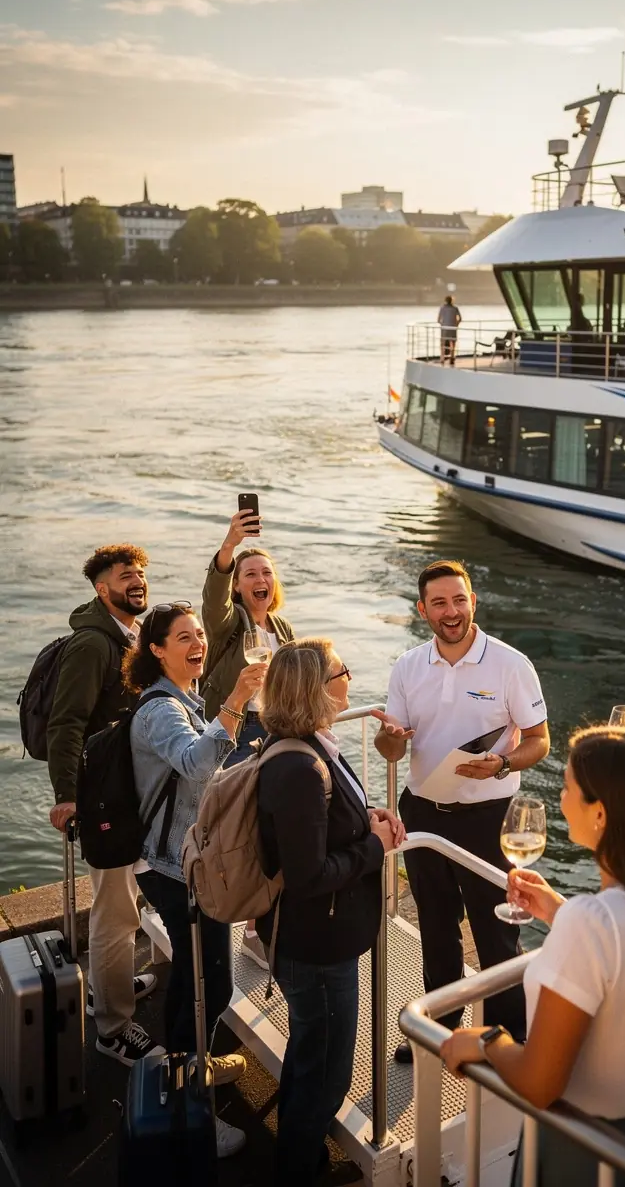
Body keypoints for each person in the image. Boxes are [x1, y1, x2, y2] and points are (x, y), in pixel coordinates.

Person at [440, 727, 625, 1186]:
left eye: (567, 787)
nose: (560, 796)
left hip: (591, 1150)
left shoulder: (593, 925)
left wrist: (490, 1041)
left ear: (601, 814)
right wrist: (559, 912)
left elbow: (540, 1083)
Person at [374, 559, 550, 1062]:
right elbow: (394, 752)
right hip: (423, 812)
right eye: (439, 603)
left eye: (459, 600)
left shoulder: (512, 665)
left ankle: (506, 1039)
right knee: (435, 923)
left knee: (497, 932)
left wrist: (501, 762)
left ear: (473, 601)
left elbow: (539, 741)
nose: (450, 612)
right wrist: (389, 739)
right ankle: (441, 1025)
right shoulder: (409, 666)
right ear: (422, 609)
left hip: (488, 818)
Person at [254, 638, 404, 1186]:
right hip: (315, 947)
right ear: (316, 688)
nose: (349, 678)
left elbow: (323, 824)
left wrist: (365, 815)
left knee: (310, 1058)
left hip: (318, 941)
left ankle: (302, 1160)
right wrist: (376, 848)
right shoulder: (298, 766)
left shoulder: (311, 747)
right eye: (342, 671)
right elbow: (309, 876)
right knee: (326, 1076)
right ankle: (295, 1172)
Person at [126, 602, 266, 1158]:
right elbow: (197, 766)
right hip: (169, 867)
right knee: (210, 984)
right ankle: (191, 1111)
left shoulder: (186, 698)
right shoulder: (160, 710)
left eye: (200, 634)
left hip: (181, 860)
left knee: (195, 975)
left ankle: (188, 1072)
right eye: (183, 637)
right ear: (157, 649)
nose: (198, 642)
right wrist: (235, 701)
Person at [47, 544, 161, 1066]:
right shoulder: (94, 645)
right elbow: (66, 723)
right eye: (124, 576)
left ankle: (107, 988)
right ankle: (113, 1027)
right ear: (101, 588)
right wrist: (67, 795)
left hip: (128, 791)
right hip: (103, 796)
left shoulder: (132, 635)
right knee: (115, 911)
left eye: (140, 573)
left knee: (127, 901)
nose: (136, 581)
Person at [201, 508, 295, 967]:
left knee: (270, 831)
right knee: (229, 833)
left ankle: (260, 933)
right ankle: (217, 920)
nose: (260, 579)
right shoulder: (227, 625)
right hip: (237, 731)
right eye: (250, 573)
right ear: (238, 585)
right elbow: (213, 599)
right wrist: (229, 546)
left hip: (275, 731)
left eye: (267, 573)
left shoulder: (282, 629)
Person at [437, 294, 461, 364]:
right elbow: (460, 319)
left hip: (444, 327)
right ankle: (452, 357)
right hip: (453, 328)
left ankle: (442, 358)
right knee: (453, 343)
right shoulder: (455, 308)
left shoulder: (442, 308)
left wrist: (442, 324)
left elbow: (438, 320)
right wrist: (456, 325)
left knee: (443, 343)